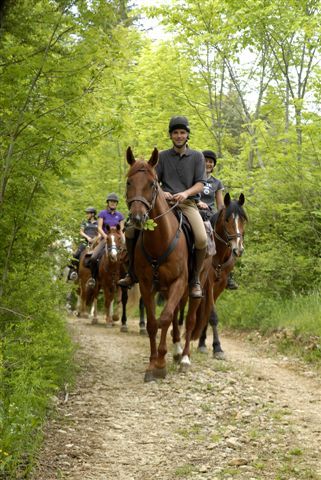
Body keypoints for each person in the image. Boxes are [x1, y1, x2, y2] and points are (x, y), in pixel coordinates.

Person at [119, 115, 207, 298]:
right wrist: (163, 192)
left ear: (187, 135)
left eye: (182, 132)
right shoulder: (163, 157)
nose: (179, 136)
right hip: (163, 204)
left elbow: (200, 184)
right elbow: (152, 181)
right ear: (170, 135)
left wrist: (185, 193)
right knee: (129, 231)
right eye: (175, 133)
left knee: (201, 239)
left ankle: (196, 279)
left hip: (187, 204)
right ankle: (131, 272)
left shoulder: (197, 157)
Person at [197, 149, 238, 290]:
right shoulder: (194, 177)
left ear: (213, 165)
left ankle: (229, 274)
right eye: (205, 161)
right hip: (194, 210)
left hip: (210, 215)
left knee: (228, 235)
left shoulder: (217, 182)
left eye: (211, 162)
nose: (208, 164)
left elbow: (220, 204)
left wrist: (224, 214)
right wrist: (197, 203)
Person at [86, 193, 125, 288]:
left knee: (127, 258)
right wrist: (106, 236)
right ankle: (93, 278)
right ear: (108, 203)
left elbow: (121, 230)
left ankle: (127, 278)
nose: (113, 203)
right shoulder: (102, 213)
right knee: (94, 257)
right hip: (105, 239)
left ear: (116, 204)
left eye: (115, 202)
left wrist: (123, 239)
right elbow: (99, 228)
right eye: (111, 202)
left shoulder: (120, 215)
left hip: (117, 239)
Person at [68, 206, 98, 281]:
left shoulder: (98, 223)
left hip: (96, 242)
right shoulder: (84, 222)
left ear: (93, 214)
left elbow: (100, 232)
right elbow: (81, 231)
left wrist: (95, 239)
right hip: (85, 242)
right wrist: (87, 237)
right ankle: (73, 271)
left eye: (88, 213)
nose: (87, 215)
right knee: (75, 254)